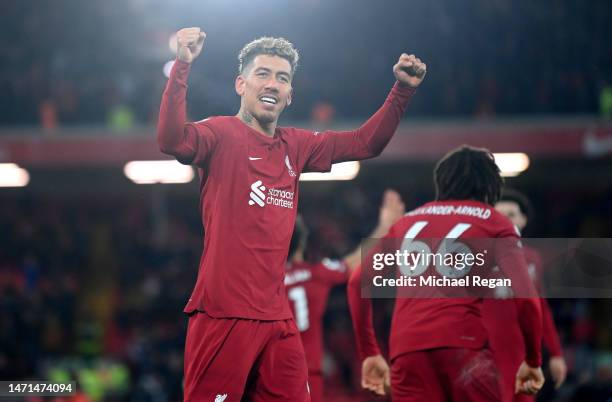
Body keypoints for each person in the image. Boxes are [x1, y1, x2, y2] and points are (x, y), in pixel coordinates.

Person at [157, 27, 426, 402]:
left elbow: (367, 142)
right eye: (262, 74)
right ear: (241, 84)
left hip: (278, 321)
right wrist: (182, 66)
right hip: (223, 313)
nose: (272, 83)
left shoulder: (296, 146)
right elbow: (170, 140)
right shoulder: (219, 133)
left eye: (282, 78)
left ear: (290, 94)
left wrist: (402, 90)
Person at [347, 145, 545, 402]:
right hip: (464, 348)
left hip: (407, 353)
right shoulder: (493, 222)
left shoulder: (407, 222)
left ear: (441, 182)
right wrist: (532, 359)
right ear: (490, 186)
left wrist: (370, 352)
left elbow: (355, 283)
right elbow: (526, 298)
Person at [285, 189, 405, 402]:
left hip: (271, 375)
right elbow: (356, 263)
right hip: (307, 374)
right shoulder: (314, 274)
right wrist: (385, 226)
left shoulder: (260, 283)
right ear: (301, 245)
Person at [482, 190, 567, 402]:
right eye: (498, 215)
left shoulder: (531, 259)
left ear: (523, 219)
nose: (504, 220)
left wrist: (556, 353)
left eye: (511, 214)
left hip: (522, 356)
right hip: (485, 356)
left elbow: (541, 309)